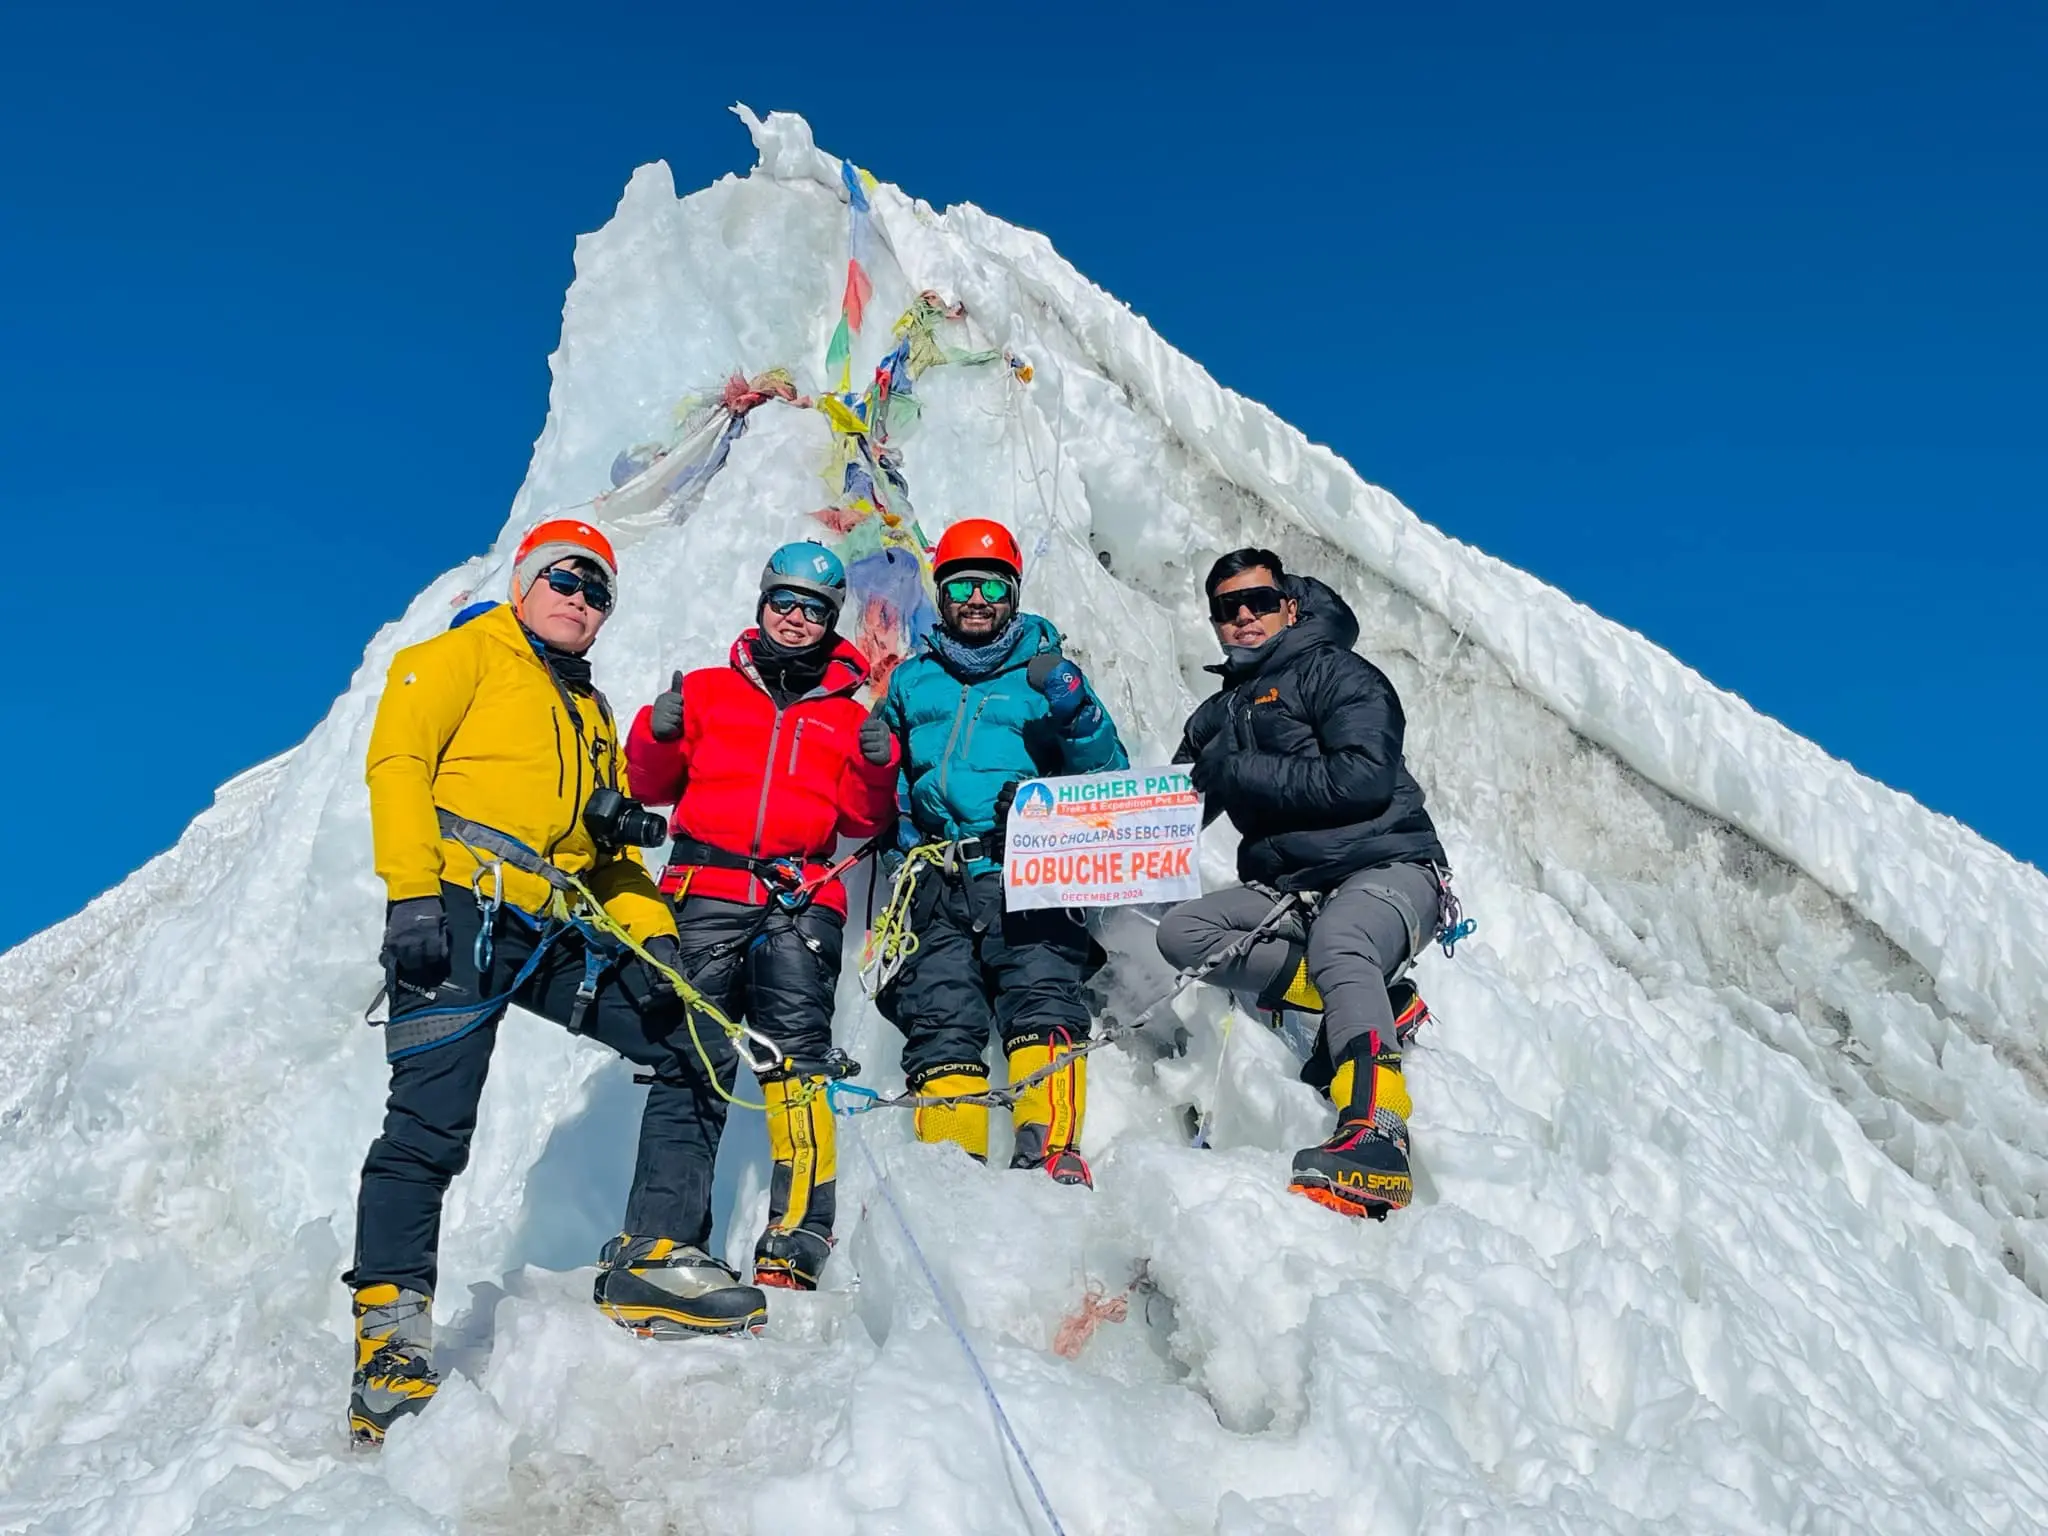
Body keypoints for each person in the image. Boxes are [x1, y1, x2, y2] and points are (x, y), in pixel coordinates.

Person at [348, 519, 765, 1448]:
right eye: (567, 582)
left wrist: (657, 943)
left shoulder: (591, 713)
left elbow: (601, 864)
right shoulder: (460, 656)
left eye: (598, 593)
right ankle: (389, 1340)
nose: (582, 601)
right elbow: (399, 762)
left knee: (694, 1040)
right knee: (428, 1124)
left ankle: (654, 1254)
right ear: (528, 582)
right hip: (458, 908)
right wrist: (412, 892)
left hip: (549, 926)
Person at [623, 541, 898, 1294]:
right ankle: (663, 1238)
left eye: (814, 610)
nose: (797, 619)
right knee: (691, 1061)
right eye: (785, 603)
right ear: (762, 605)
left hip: (796, 900)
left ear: (831, 619)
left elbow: (861, 820)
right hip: (704, 889)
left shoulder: (849, 714)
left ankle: (799, 1233)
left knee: (798, 1064)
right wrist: (658, 728)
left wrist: (877, 764)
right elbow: (646, 784)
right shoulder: (709, 690)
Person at [1157, 548, 1449, 1219]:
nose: (1244, 616)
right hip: (1293, 893)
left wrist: (1240, 772)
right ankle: (1374, 999)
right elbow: (1167, 815)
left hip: (1389, 868)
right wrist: (1050, 827)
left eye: (1259, 600)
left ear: (1289, 605)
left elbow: (1362, 778)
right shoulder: (1214, 719)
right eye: (1228, 608)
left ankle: (1377, 1134)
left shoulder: (1338, 673)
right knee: (1184, 933)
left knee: (1344, 939)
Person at [864, 518, 1128, 1185]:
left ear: (1012, 593)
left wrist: (1079, 715)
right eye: (960, 586)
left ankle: (1048, 1146)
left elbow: (1105, 773)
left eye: (990, 584)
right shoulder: (913, 681)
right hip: (937, 878)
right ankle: (952, 1170)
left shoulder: (1045, 672)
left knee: (1041, 996)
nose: (976, 599)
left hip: (1027, 868)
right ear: (942, 597)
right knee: (941, 1013)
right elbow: (893, 772)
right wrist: (894, 821)